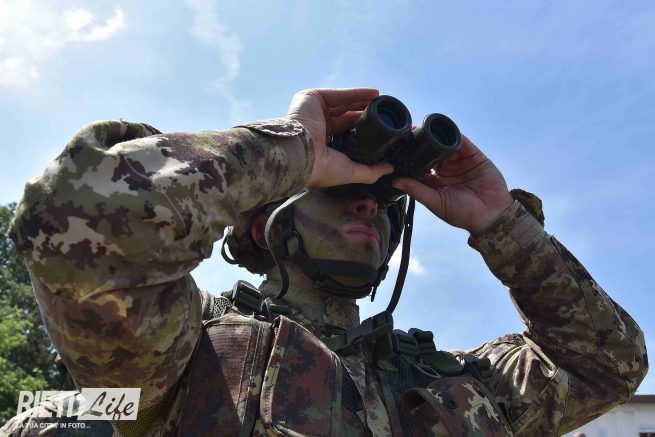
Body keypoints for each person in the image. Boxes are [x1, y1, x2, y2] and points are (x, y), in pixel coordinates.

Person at [2, 88, 648, 436]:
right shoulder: (178, 352)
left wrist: (501, 222)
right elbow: (81, 215)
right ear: (265, 222)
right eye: (339, 192)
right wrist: (294, 150)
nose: (367, 206)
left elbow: (605, 361)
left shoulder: (461, 384)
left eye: (385, 204)